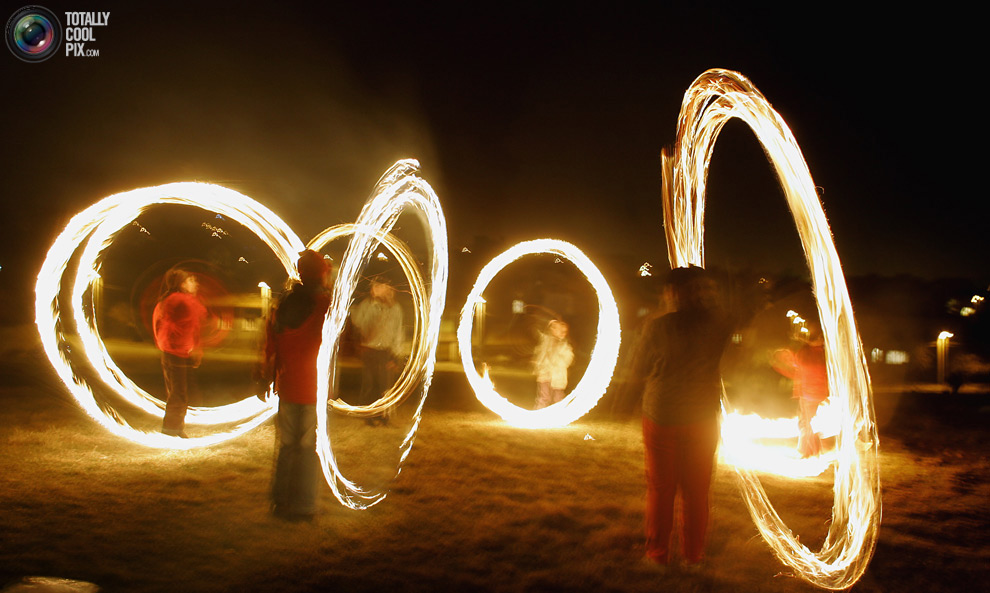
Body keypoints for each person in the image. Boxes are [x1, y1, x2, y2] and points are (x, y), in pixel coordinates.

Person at [627, 266, 732, 569]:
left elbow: (638, 367)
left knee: (661, 489)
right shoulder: (719, 323)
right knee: (697, 491)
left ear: (672, 293)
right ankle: (693, 556)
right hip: (702, 416)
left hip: (663, 414)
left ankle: (657, 554)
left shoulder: (658, 326)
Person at [264, 250, 332, 521]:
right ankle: (303, 505)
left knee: (287, 446)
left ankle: (280, 502)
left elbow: (271, 341)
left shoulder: (284, 303)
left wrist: (269, 375)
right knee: (307, 448)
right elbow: (340, 339)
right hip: (312, 387)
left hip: (289, 384)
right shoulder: (324, 305)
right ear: (321, 274)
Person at [153, 267, 209, 438]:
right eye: (190, 280)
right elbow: (199, 316)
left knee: (178, 392)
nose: (195, 283)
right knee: (178, 393)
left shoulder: (172, 299)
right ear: (181, 284)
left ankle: (174, 427)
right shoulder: (178, 300)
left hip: (177, 351)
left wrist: (195, 348)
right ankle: (171, 429)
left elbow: (192, 327)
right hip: (175, 352)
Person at [771, 321, 829, 457]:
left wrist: (782, 363)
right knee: (811, 423)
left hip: (809, 394)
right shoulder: (824, 354)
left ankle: (809, 452)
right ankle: (812, 451)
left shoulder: (805, 352)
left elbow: (797, 367)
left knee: (808, 423)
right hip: (818, 393)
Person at [351, 278, 404, 424]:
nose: (386, 291)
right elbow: (362, 327)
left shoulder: (395, 308)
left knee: (385, 384)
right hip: (369, 349)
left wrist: (396, 355)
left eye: (386, 287)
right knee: (369, 383)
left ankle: (383, 416)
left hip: (386, 350)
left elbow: (398, 332)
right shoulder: (367, 306)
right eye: (378, 287)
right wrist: (374, 307)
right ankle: (368, 415)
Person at [532, 319, 574, 409]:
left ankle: (558, 414)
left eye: (564, 332)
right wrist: (539, 366)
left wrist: (558, 362)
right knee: (544, 397)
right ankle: (539, 414)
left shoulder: (565, 346)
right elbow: (540, 353)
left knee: (558, 398)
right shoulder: (546, 341)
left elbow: (568, 359)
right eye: (559, 330)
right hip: (545, 375)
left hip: (558, 376)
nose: (562, 333)